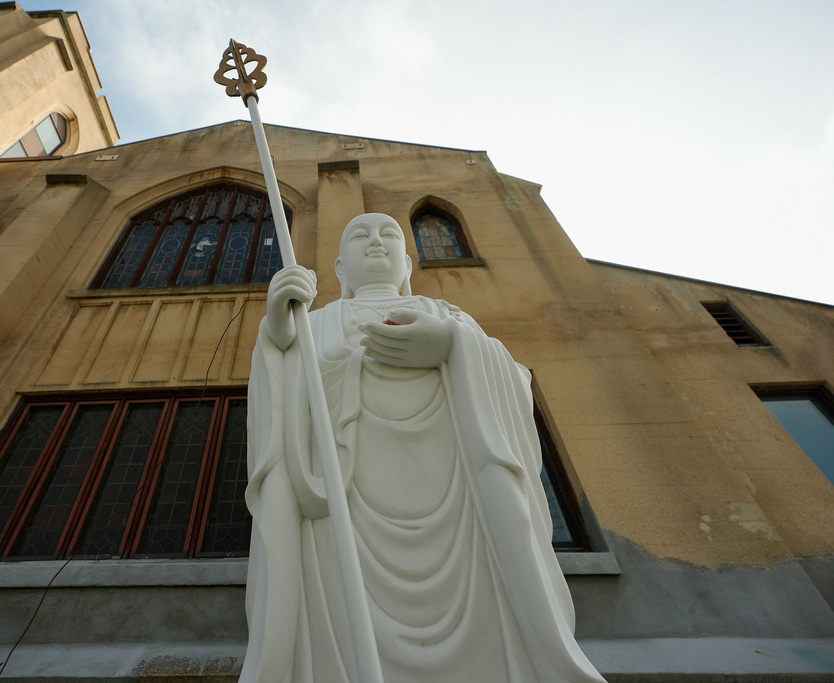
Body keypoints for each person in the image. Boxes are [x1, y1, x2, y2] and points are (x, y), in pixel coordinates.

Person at [241, 213, 605, 682]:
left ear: (407, 264)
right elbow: (282, 402)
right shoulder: (315, 322)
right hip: (343, 507)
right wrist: (277, 336)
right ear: (338, 269)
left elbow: (514, 382)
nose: (376, 243)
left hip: (459, 505)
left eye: (389, 234)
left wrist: (454, 346)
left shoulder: (447, 315)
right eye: (360, 236)